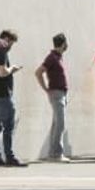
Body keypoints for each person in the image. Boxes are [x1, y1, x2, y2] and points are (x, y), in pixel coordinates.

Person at [0, 30, 25, 167]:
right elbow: (2, 72)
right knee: (8, 127)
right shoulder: (0, 51)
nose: (11, 46)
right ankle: (10, 157)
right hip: (2, 95)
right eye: (11, 43)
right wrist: (12, 68)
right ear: (7, 39)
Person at [35, 33, 70, 162]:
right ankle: (56, 154)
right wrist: (46, 89)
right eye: (66, 43)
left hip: (61, 93)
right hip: (56, 93)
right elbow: (38, 72)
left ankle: (53, 153)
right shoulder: (52, 57)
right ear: (63, 44)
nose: (67, 46)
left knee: (56, 124)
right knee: (60, 123)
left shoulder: (58, 57)